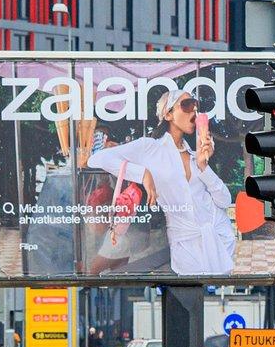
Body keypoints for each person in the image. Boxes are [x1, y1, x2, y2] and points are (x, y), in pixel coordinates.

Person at [86, 90, 237, 277]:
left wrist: (203, 166)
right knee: (188, 294)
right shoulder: (149, 147)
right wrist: (142, 173)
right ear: (168, 114)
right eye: (187, 105)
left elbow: (224, 200)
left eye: (195, 106)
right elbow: (97, 159)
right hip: (184, 243)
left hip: (219, 237)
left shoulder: (194, 155)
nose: (194, 110)